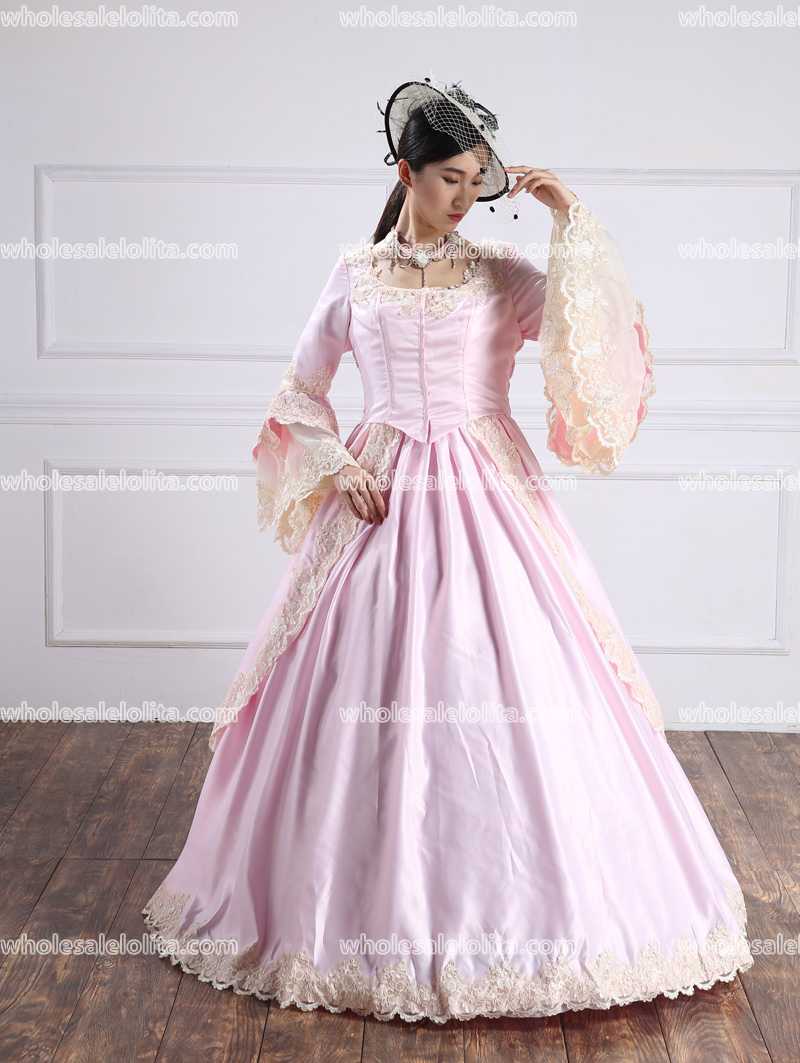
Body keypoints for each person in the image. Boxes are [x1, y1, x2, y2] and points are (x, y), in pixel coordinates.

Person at [141, 77, 754, 1023]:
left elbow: (597, 337)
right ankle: (339, 908)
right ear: (407, 174)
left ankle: (541, 916)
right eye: (449, 179)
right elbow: (300, 392)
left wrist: (570, 220)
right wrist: (338, 463)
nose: (466, 196)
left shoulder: (503, 274)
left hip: (491, 496)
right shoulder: (355, 274)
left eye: (477, 180)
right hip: (379, 498)